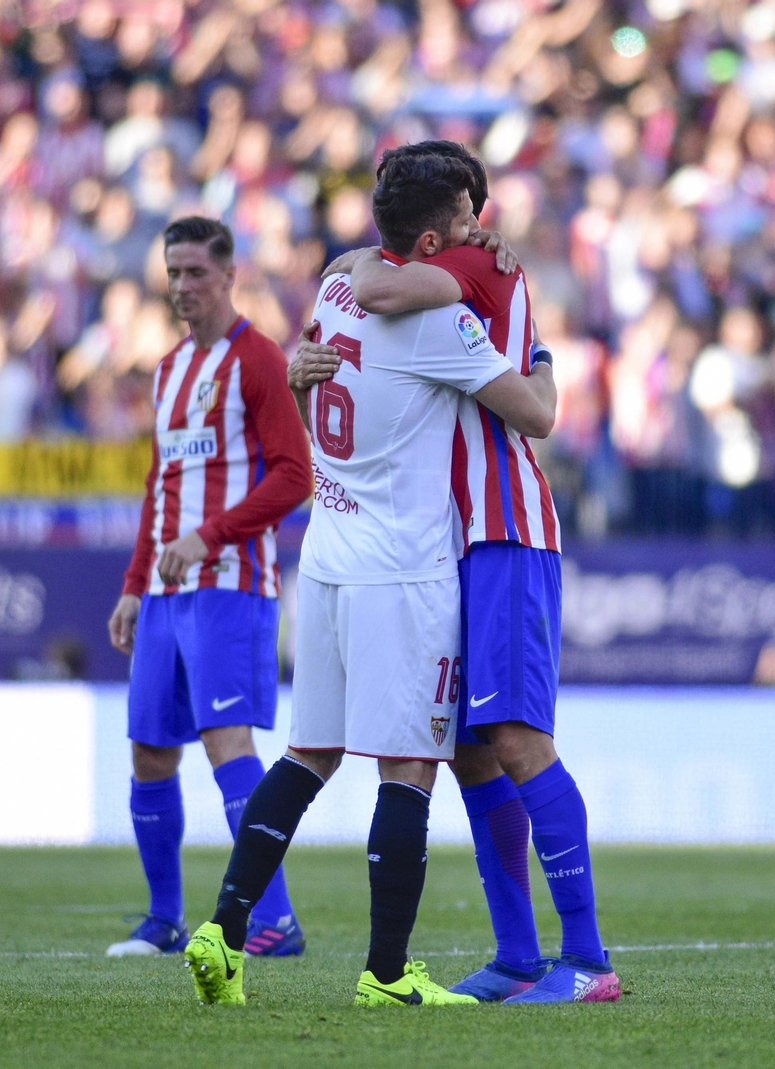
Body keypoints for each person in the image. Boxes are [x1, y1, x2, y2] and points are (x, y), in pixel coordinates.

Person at [182, 150, 558, 1009]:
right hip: (403, 568)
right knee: (409, 769)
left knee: (308, 754)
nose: (478, 231)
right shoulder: (440, 322)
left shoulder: (338, 290)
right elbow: (537, 416)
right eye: (464, 219)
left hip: (327, 556)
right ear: (431, 237)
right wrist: (536, 353)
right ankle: (387, 973)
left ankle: (223, 930)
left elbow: (326, 353)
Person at [300, 140, 621, 1004]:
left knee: (516, 739)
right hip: (445, 544)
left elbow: (367, 284)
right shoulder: (455, 264)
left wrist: (381, 254)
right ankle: (518, 954)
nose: (483, 224)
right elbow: (357, 287)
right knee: (473, 754)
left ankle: (588, 961)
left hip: (502, 528)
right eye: (467, 210)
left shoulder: (465, 265)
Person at [103, 216, 312, 959]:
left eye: (196, 272)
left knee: (229, 743)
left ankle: (275, 920)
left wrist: (209, 535)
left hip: (230, 582)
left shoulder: (258, 360)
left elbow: (295, 475)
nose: (183, 286)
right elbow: (162, 485)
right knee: (150, 750)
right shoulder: (166, 370)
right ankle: (163, 918)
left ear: (229, 275)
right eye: (174, 272)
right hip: (164, 594)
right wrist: (135, 583)